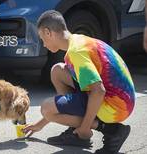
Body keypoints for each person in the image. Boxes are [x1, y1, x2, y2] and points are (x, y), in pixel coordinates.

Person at [23, 10, 135, 154]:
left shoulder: (76, 52)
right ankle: (75, 131)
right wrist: (39, 125)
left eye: (42, 39)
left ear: (48, 32)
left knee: (46, 108)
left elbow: (98, 90)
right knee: (57, 71)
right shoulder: (77, 40)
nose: (44, 44)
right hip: (121, 98)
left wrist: (85, 127)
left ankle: (111, 130)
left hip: (116, 106)